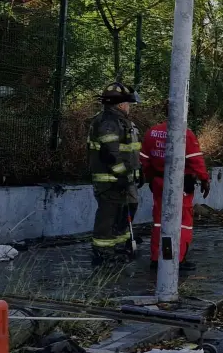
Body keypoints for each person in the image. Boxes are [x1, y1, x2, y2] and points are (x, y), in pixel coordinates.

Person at [140, 101, 210, 271]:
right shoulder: (185, 134)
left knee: (159, 220)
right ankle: (177, 259)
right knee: (183, 221)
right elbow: (196, 161)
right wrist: (205, 179)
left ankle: (157, 258)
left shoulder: (152, 132)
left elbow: (144, 160)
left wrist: (149, 178)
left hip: (158, 183)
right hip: (180, 184)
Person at [87, 82, 142, 266]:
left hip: (123, 180)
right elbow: (112, 154)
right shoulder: (107, 123)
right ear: (120, 104)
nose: (129, 107)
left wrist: (136, 172)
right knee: (108, 217)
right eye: (127, 103)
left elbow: (130, 152)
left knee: (124, 212)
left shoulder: (122, 122)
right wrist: (122, 176)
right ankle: (103, 253)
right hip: (110, 182)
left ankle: (118, 248)